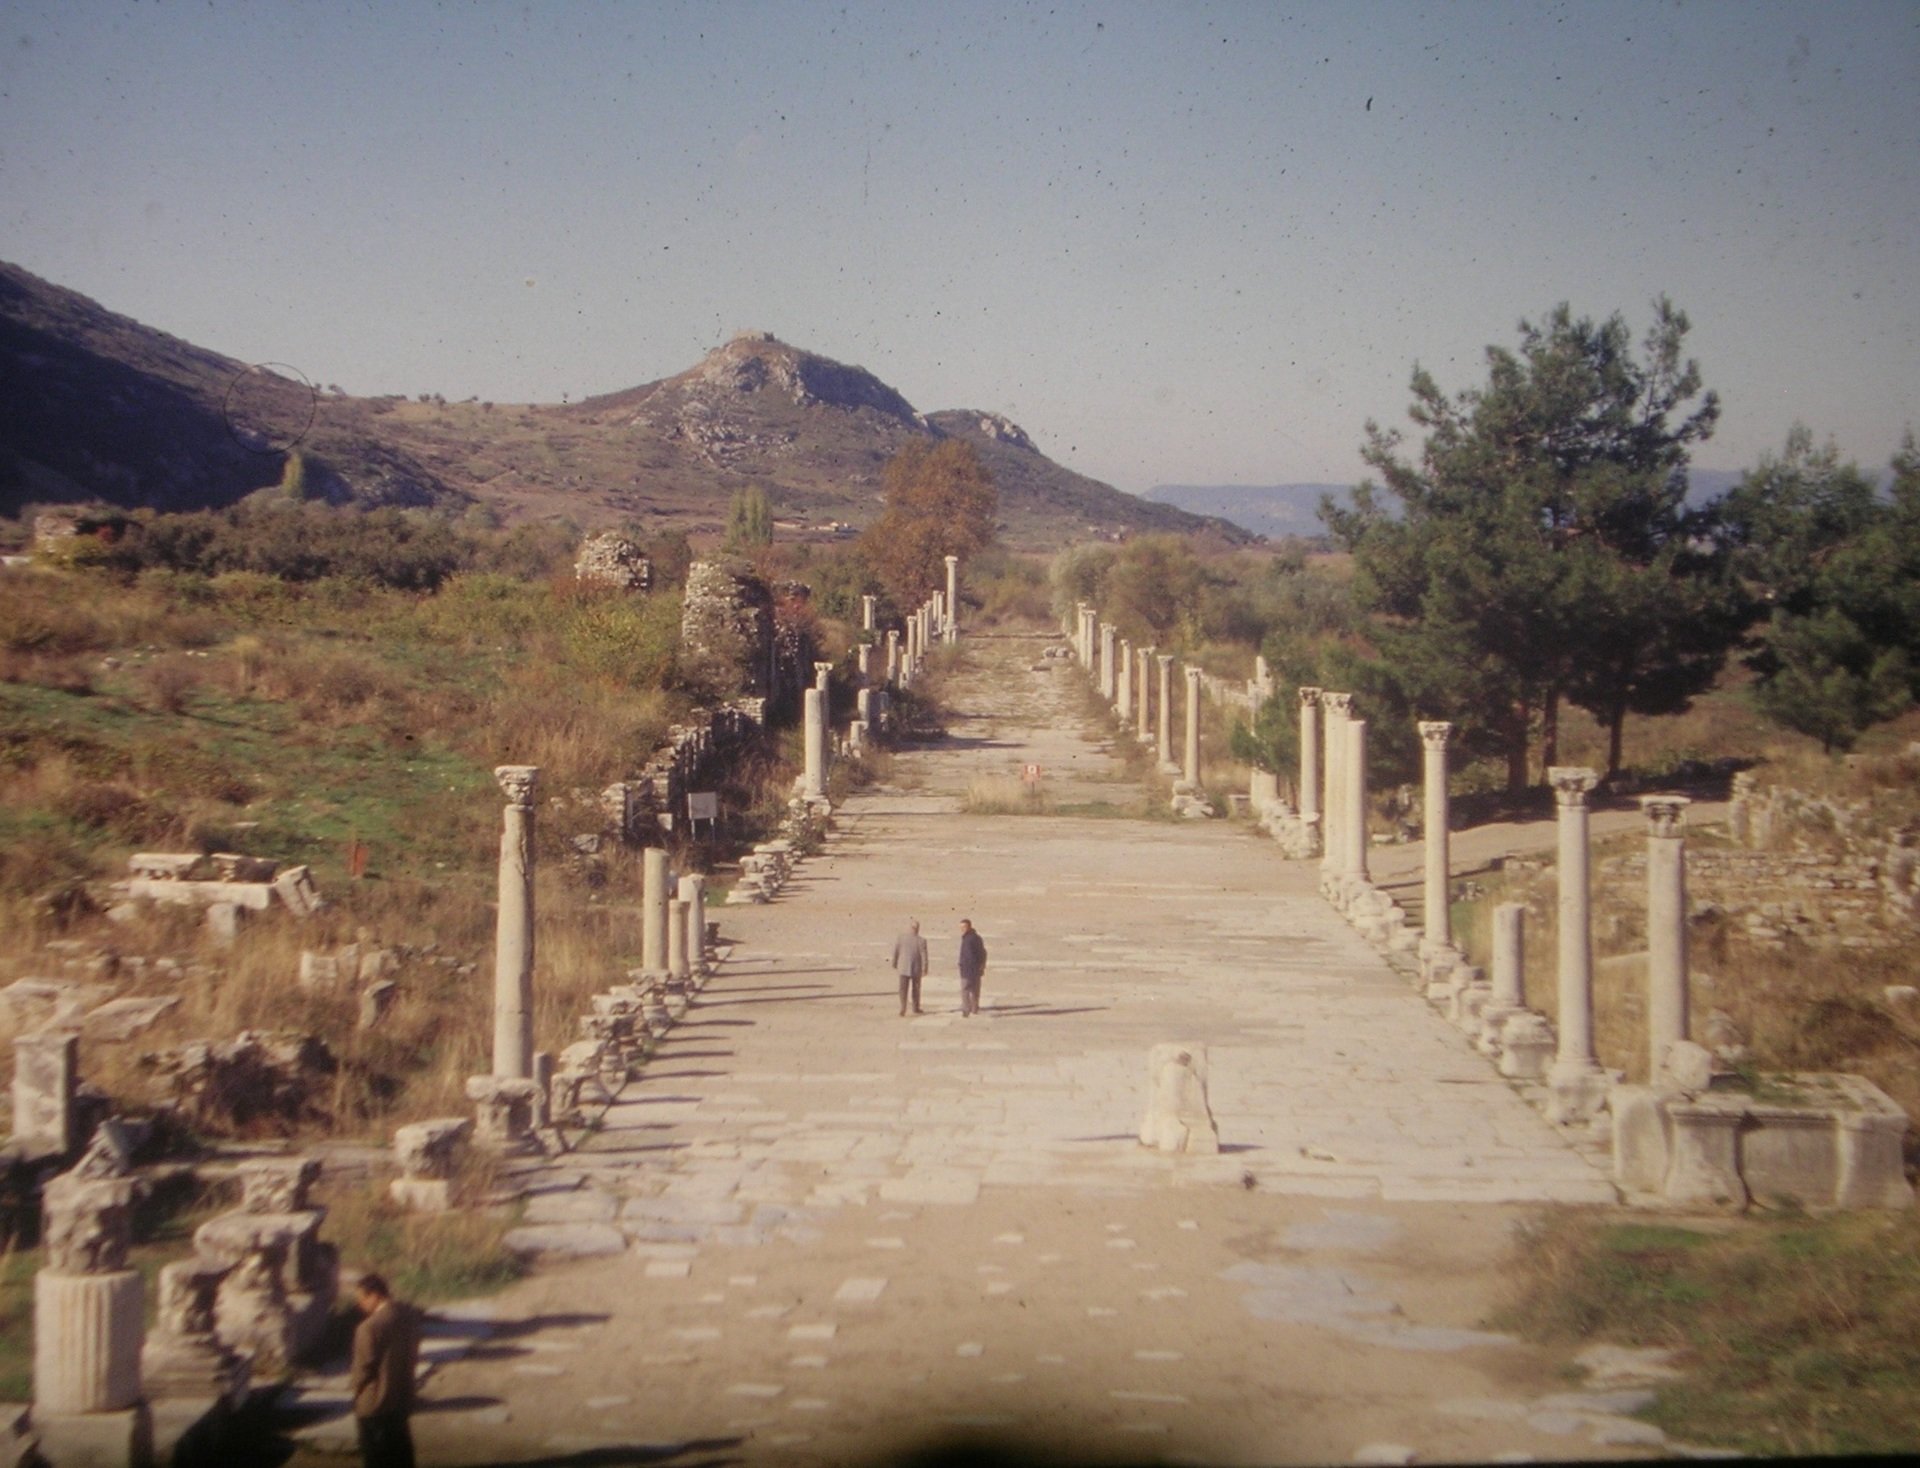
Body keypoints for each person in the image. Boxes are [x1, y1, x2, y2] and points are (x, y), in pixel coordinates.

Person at [350, 1272, 421, 1468]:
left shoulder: (368, 1328)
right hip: (401, 1398)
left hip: (375, 1405)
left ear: (374, 1295)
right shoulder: (409, 1316)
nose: (360, 1305)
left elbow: (362, 1369)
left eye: (362, 1299)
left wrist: (355, 1390)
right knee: (401, 1457)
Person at [891, 918, 929, 1016]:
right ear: (918, 929)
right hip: (916, 968)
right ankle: (915, 1007)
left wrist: (894, 963)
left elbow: (896, 951)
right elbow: (924, 955)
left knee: (903, 989)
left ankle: (903, 1007)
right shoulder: (921, 940)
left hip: (903, 967)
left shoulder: (901, 938)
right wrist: (925, 968)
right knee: (915, 989)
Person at [957, 917, 988, 1017]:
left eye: (964, 927)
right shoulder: (976, 937)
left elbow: (969, 955)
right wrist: (982, 965)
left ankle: (966, 1009)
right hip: (976, 969)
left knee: (965, 990)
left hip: (968, 969)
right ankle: (974, 1008)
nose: (962, 929)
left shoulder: (968, 939)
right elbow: (983, 953)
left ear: (969, 927)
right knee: (975, 990)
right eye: (960, 927)